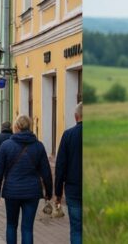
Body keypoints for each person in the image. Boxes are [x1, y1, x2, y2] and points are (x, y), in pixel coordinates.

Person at [0, 115, 53, 244]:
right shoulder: (38, 146)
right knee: (27, 228)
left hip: (12, 192)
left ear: (17, 127)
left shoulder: (6, 146)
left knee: (11, 225)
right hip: (32, 192)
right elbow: (46, 172)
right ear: (29, 127)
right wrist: (48, 193)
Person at [55, 104, 83, 244]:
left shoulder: (68, 135)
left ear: (76, 116)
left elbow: (60, 166)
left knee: (77, 228)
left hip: (74, 189)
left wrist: (58, 194)